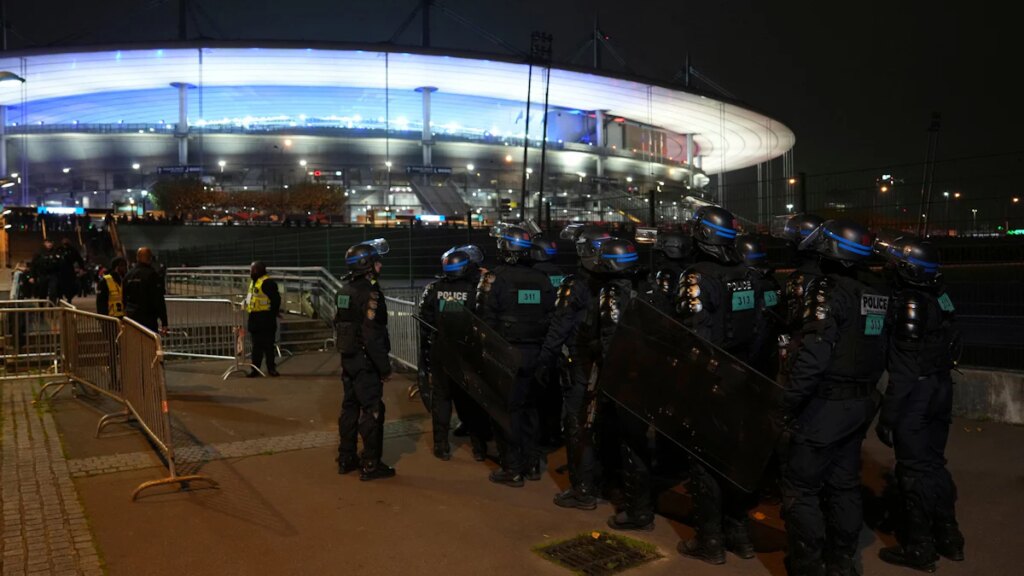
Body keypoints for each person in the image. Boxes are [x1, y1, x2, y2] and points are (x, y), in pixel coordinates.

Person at [779, 220, 889, 576]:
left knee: (801, 488)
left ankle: (807, 567)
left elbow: (813, 357)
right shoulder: (876, 291)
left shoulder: (826, 290)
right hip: (861, 403)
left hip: (825, 405)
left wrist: (787, 402)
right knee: (844, 485)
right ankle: (843, 563)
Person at [670, 206, 763, 565]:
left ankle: (709, 542)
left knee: (704, 461)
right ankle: (739, 536)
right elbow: (757, 330)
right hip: (743, 375)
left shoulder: (697, 277)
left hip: (711, 379)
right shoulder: (749, 274)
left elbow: (694, 338)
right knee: (736, 458)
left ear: (704, 235)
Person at [875, 238, 965, 571]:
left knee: (912, 471)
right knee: (934, 464)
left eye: (895, 264)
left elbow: (905, 368)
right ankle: (950, 538)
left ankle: (919, 548)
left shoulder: (909, 302)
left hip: (918, 394)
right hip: (941, 386)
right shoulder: (939, 296)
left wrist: (889, 414)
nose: (888, 268)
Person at [536, 226, 618, 510]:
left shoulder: (576, 285)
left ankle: (582, 490)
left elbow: (559, 328)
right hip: (615, 365)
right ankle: (605, 482)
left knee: (577, 425)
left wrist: (545, 361)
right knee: (608, 424)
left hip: (583, 365)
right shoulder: (622, 282)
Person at [476, 223, 555, 487]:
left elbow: (484, 320)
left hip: (506, 355)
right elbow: (549, 316)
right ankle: (532, 464)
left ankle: (512, 468)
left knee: (506, 410)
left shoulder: (494, 278)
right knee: (531, 409)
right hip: (537, 353)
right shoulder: (542, 280)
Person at [418, 244, 490, 462]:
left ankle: (441, 446)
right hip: (466, 352)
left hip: (441, 349)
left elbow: (424, 319)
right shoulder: (474, 290)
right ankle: (479, 448)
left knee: (441, 398)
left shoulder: (434, 289)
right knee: (470, 400)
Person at [335, 239, 395, 481]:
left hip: (348, 358)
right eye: (376, 262)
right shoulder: (370, 293)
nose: (379, 266)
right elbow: (372, 335)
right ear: (367, 265)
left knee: (349, 408)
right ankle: (371, 463)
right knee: (372, 410)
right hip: (366, 361)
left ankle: (346, 457)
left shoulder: (344, 290)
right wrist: (384, 367)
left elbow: (338, 323)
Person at [245, 261, 281, 377]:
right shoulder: (253, 282)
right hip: (254, 318)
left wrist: (274, 313)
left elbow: (276, 300)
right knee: (256, 346)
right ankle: (255, 369)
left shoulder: (268, 283)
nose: (250, 272)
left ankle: (271, 368)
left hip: (266, 318)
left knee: (268, 345)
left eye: (252, 269)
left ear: (257, 270)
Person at [646, 230, 692, 315]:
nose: (658, 256)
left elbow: (663, 303)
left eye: (660, 253)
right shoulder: (686, 269)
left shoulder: (667, 273)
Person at [123, 247, 168, 334]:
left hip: (131, 318)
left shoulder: (128, 275)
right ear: (150, 258)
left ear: (137, 258)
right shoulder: (152, 275)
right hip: (148, 319)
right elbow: (158, 299)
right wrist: (164, 322)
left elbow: (123, 298)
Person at [30, 239, 61, 303]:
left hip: (53, 274)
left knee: (53, 291)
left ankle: (52, 306)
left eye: (51, 242)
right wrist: (32, 276)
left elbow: (60, 264)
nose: (49, 244)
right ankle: (42, 307)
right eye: (47, 243)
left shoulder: (56, 252)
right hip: (42, 274)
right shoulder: (39, 252)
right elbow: (33, 265)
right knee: (42, 292)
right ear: (44, 243)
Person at [57, 237, 85, 302]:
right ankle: (60, 297)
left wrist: (82, 268)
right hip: (60, 270)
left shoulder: (73, 250)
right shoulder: (59, 249)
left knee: (70, 286)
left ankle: (69, 298)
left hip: (69, 270)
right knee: (59, 285)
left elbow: (79, 259)